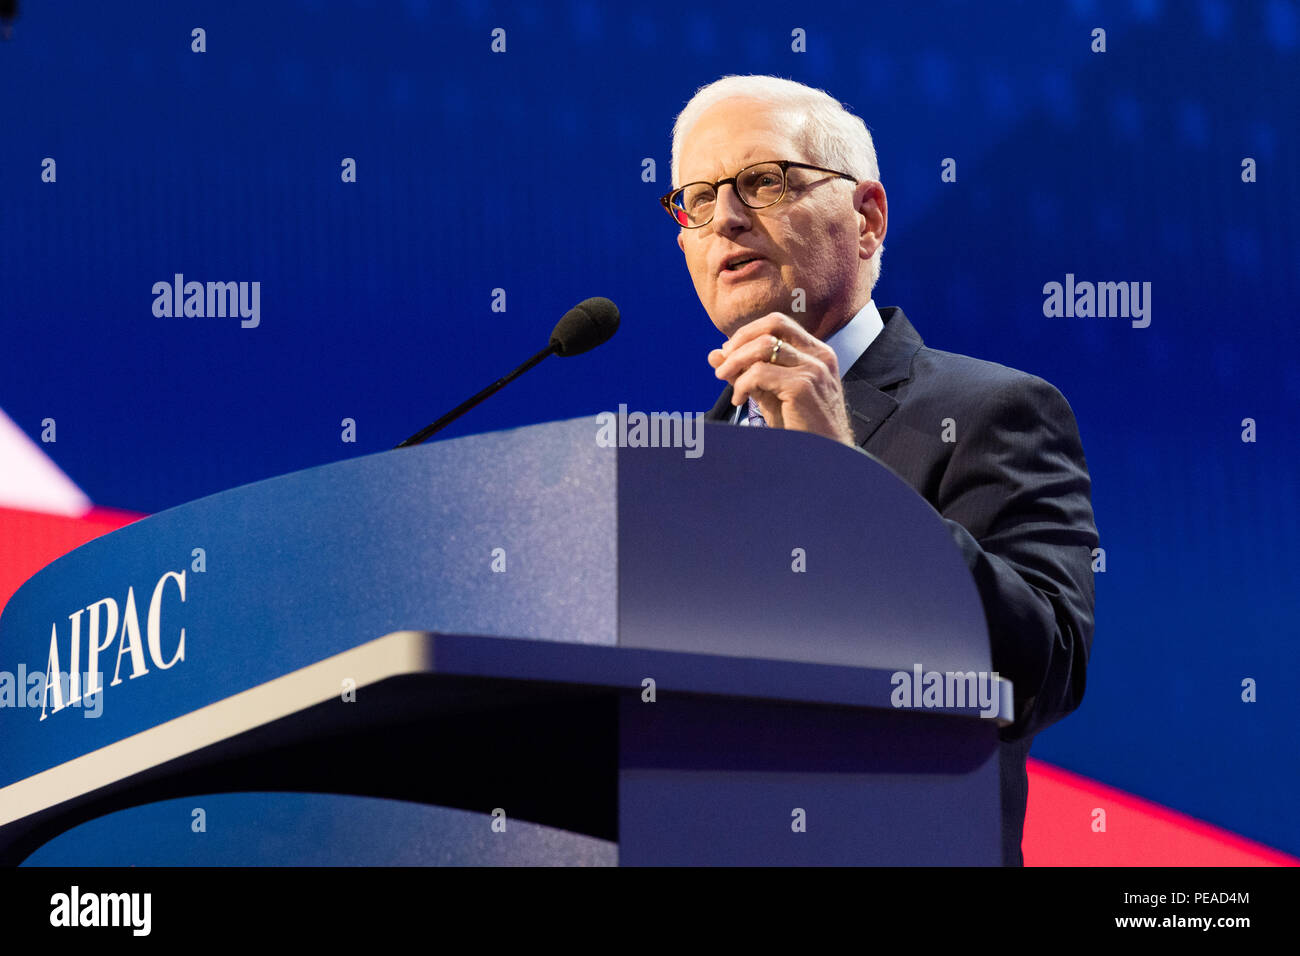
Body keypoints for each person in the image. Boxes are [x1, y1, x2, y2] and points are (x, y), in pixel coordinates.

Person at [662, 74, 1099, 866]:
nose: (723, 217)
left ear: (867, 218)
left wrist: (847, 482)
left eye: (762, 181)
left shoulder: (994, 410)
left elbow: (1042, 672)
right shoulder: (678, 472)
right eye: (695, 199)